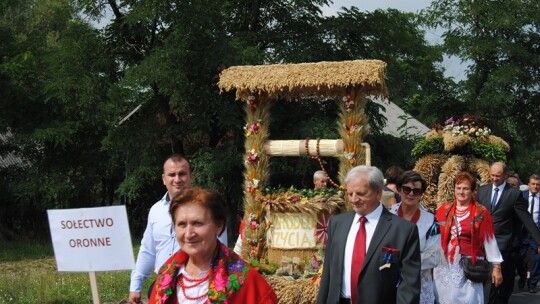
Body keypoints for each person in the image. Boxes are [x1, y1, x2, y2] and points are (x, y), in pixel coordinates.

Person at [148, 187, 278, 303]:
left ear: (219, 225)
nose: (188, 233)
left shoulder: (247, 282)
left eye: (197, 223)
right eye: (181, 224)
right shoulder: (166, 274)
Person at [129, 154, 228, 304]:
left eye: (182, 174)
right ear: (164, 179)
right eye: (171, 174)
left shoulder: (208, 208)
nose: (177, 179)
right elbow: (148, 251)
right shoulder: (155, 211)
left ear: (191, 176)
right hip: (163, 286)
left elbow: (219, 251)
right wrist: (135, 286)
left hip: (205, 286)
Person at [316, 165, 421, 304]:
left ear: (378, 193)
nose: (353, 199)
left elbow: (409, 286)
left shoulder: (403, 230)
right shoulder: (337, 223)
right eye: (350, 193)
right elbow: (328, 275)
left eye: (360, 193)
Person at [433, 171, 503, 303]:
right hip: (444, 265)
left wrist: (496, 267)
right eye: (458, 188)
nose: (461, 192)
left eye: (465, 188)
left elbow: (490, 241)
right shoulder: (443, 209)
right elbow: (434, 237)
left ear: (472, 191)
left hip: (469, 265)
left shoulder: (481, 212)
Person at [477, 162, 540, 304]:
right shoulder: (482, 191)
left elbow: (527, 220)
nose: (494, 178)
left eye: (498, 176)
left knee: (500, 287)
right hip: (483, 246)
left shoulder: (514, 194)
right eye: (492, 175)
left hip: (504, 248)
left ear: (505, 175)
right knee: (487, 287)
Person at [390, 171, 442, 304]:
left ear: (421, 194)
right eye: (407, 189)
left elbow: (434, 256)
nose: (411, 194)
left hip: (418, 285)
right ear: (399, 190)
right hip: (388, 281)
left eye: (416, 191)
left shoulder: (432, 221)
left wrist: (402, 261)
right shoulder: (387, 215)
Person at [518, 174, 540, 293]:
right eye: (533, 184)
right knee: (519, 258)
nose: (535, 186)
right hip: (523, 233)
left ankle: (532, 283)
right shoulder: (522, 196)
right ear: (528, 184)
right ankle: (522, 275)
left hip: (536, 235)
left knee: (536, 260)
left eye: (538, 185)